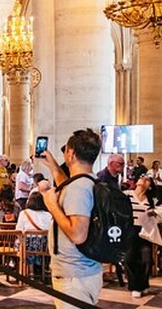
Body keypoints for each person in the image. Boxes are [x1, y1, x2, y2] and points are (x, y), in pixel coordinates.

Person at [41, 128, 103, 309]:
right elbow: (71, 195)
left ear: (71, 153)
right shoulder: (87, 181)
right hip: (82, 271)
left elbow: (77, 234)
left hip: (74, 274)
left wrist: (51, 205)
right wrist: (54, 167)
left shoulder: (79, 188)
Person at [124, 176, 157, 298]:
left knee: (146, 258)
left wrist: (154, 214)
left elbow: (156, 217)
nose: (143, 179)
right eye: (142, 177)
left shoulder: (151, 200)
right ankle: (135, 286)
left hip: (145, 231)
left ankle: (144, 284)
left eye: (147, 179)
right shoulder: (127, 195)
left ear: (150, 186)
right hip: (130, 230)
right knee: (129, 258)